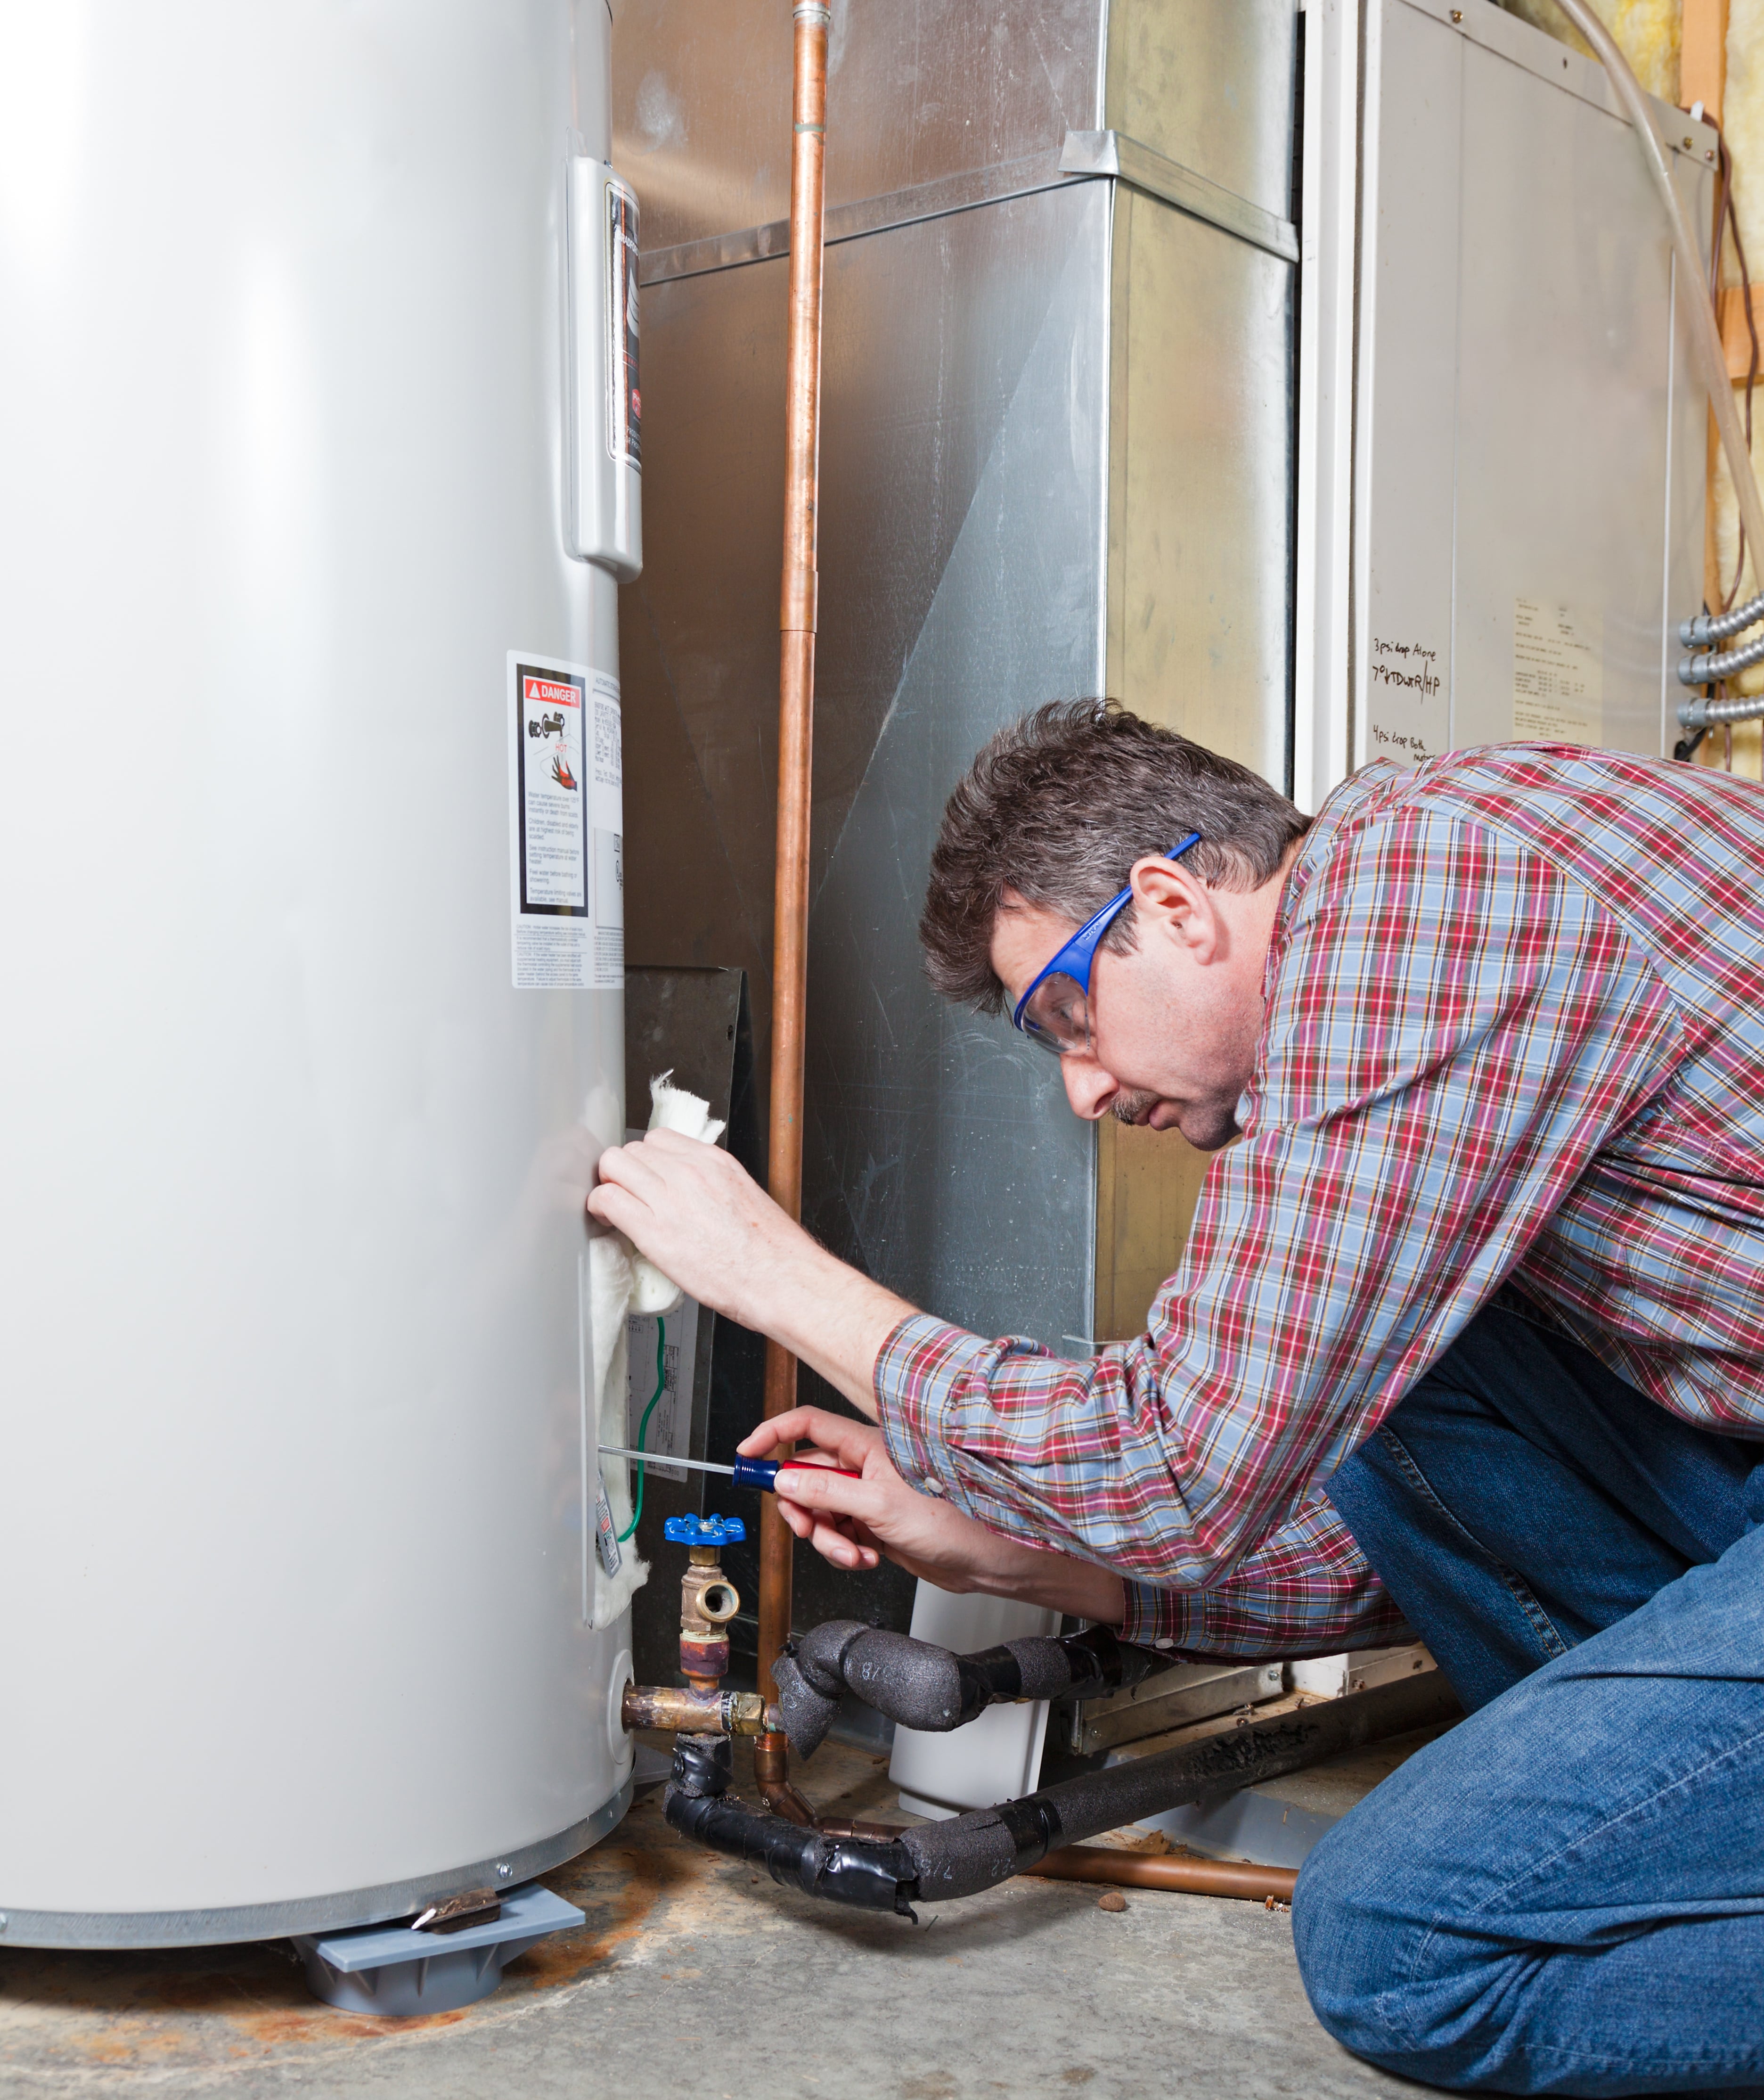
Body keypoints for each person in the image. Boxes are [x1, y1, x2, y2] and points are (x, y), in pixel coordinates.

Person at [589, 699, 1764, 2098]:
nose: (1083, 1087)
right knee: (1376, 1393)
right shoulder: (1409, 916)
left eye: (1070, 1020)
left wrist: (779, 1279)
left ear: (1175, 905)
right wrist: (1011, 1549)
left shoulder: (1428, 905)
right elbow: (1363, 1527)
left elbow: (1182, 1461)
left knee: (1404, 1942)